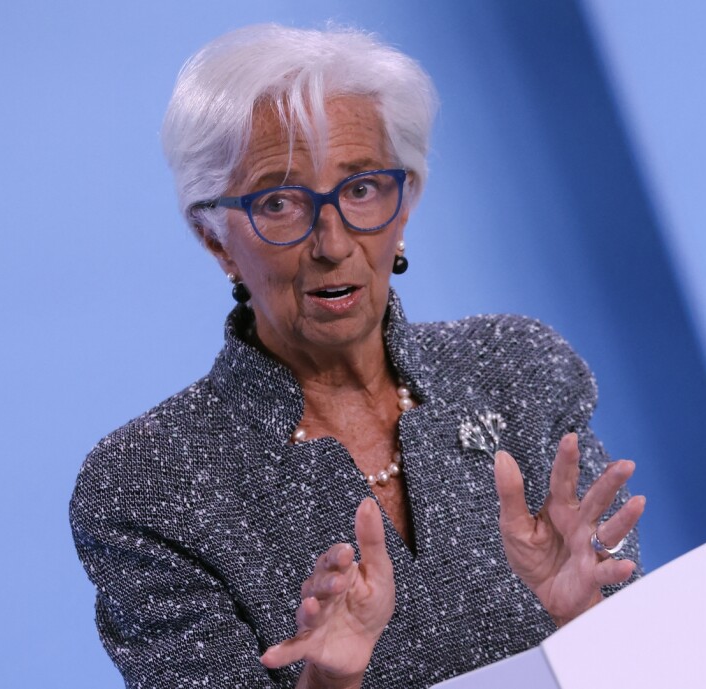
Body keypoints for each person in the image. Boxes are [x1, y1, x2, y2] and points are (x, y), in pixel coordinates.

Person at [70, 23, 644, 689]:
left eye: (362, 188)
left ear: (404, 206)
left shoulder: (516, 369)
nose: (332, 241)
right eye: (279, 201)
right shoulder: (147, 482)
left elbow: (653, 663)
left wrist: (587, 619)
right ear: (215, 238)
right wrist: (329, 680)